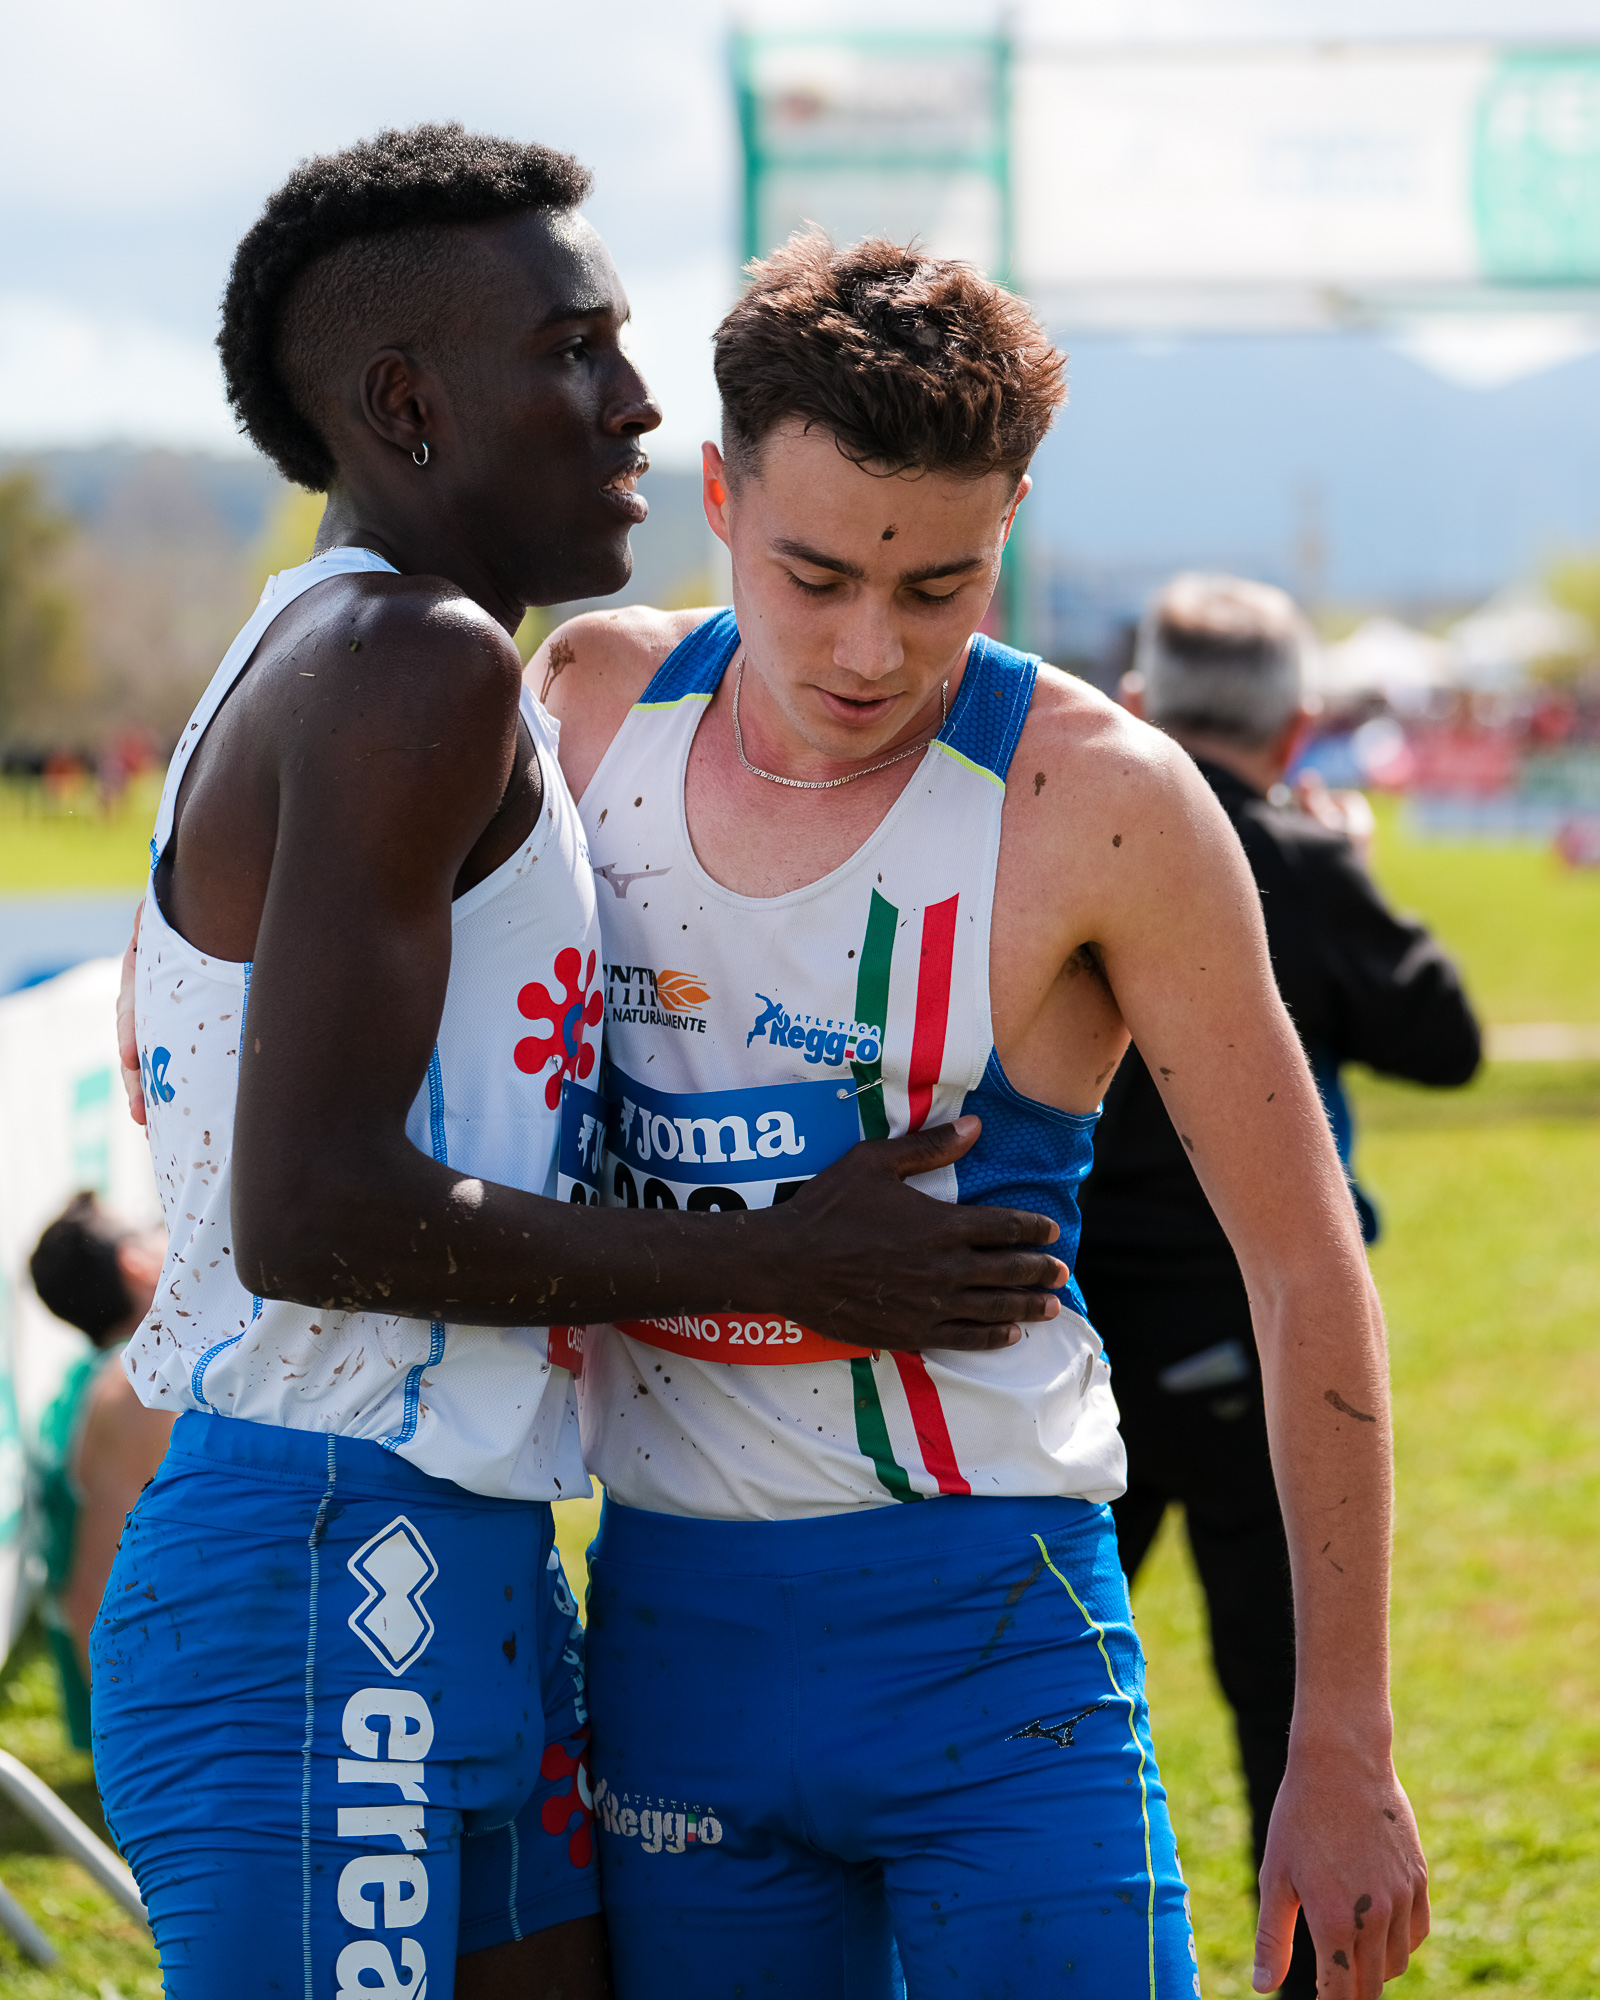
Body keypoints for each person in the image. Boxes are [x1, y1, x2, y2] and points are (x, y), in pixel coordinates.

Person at [102, 131, 1066, 2000]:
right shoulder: (409, 658)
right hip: (324, 1550)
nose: (637, 399)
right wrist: (778, 1260)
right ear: (408, 405)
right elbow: (311, 1213)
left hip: (461, 1547)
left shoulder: (390, 655)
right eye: (573, 349)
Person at [534, 233, 1430, 1999]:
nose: (872, 648)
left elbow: (1306, 1271)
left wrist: (1341, 1737)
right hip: (671, 1633)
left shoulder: (1108, 801)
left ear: (1010, 523)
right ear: (717, 497)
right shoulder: (587, 708)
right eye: (812, 577)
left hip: (995, 1627)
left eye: (941, 585)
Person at [1073, 572, 1479, 1999]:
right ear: (1298, 729)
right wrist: (1340, 865)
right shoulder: (1298, 860)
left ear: (1134, 708)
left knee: (1035, 1698)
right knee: (1289, 1715)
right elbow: (1445, 1038)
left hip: (1078, 1349)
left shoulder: (1080, 837)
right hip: (1263, 1351)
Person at [26, 1194, 173, 1749]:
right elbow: (96, 1589)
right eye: (155, 1227)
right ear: (135, 1263)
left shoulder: (107, 1376)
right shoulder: (137, 1389)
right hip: (158, 1710)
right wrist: (142, 1748)